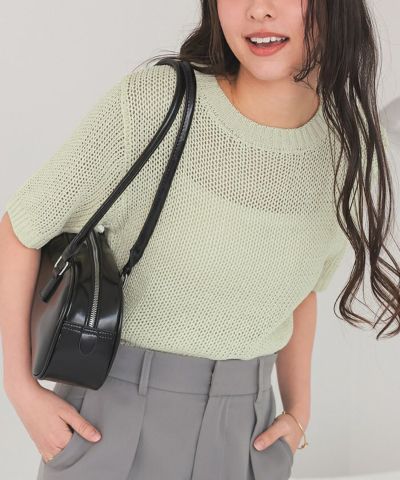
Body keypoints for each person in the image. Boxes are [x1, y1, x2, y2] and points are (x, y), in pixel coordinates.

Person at [0, 1, 398, 479]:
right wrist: (21, 391)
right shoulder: (156, 102)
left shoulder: (351, 150)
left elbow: (300, 293)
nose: (259, 10)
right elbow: (21, 229)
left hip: (246, 434)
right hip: (111, 423)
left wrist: (298, 411)